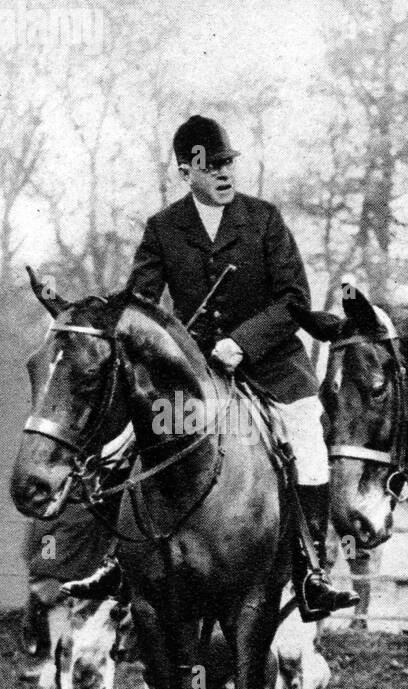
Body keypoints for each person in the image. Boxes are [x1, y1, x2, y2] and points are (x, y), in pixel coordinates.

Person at [64, 115, 357, 622]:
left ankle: (312, 569)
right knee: (130, 441)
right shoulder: (163, 229)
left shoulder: (264, 220)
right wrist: (94, 317)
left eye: (228, 163)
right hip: (198, 369)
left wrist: (242, 343)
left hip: (274, 365)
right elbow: (140, 303)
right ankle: (118, 561)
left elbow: (293, 299)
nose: (224, 174)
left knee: (307, 434)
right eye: (212, 166)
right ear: (186, 171)